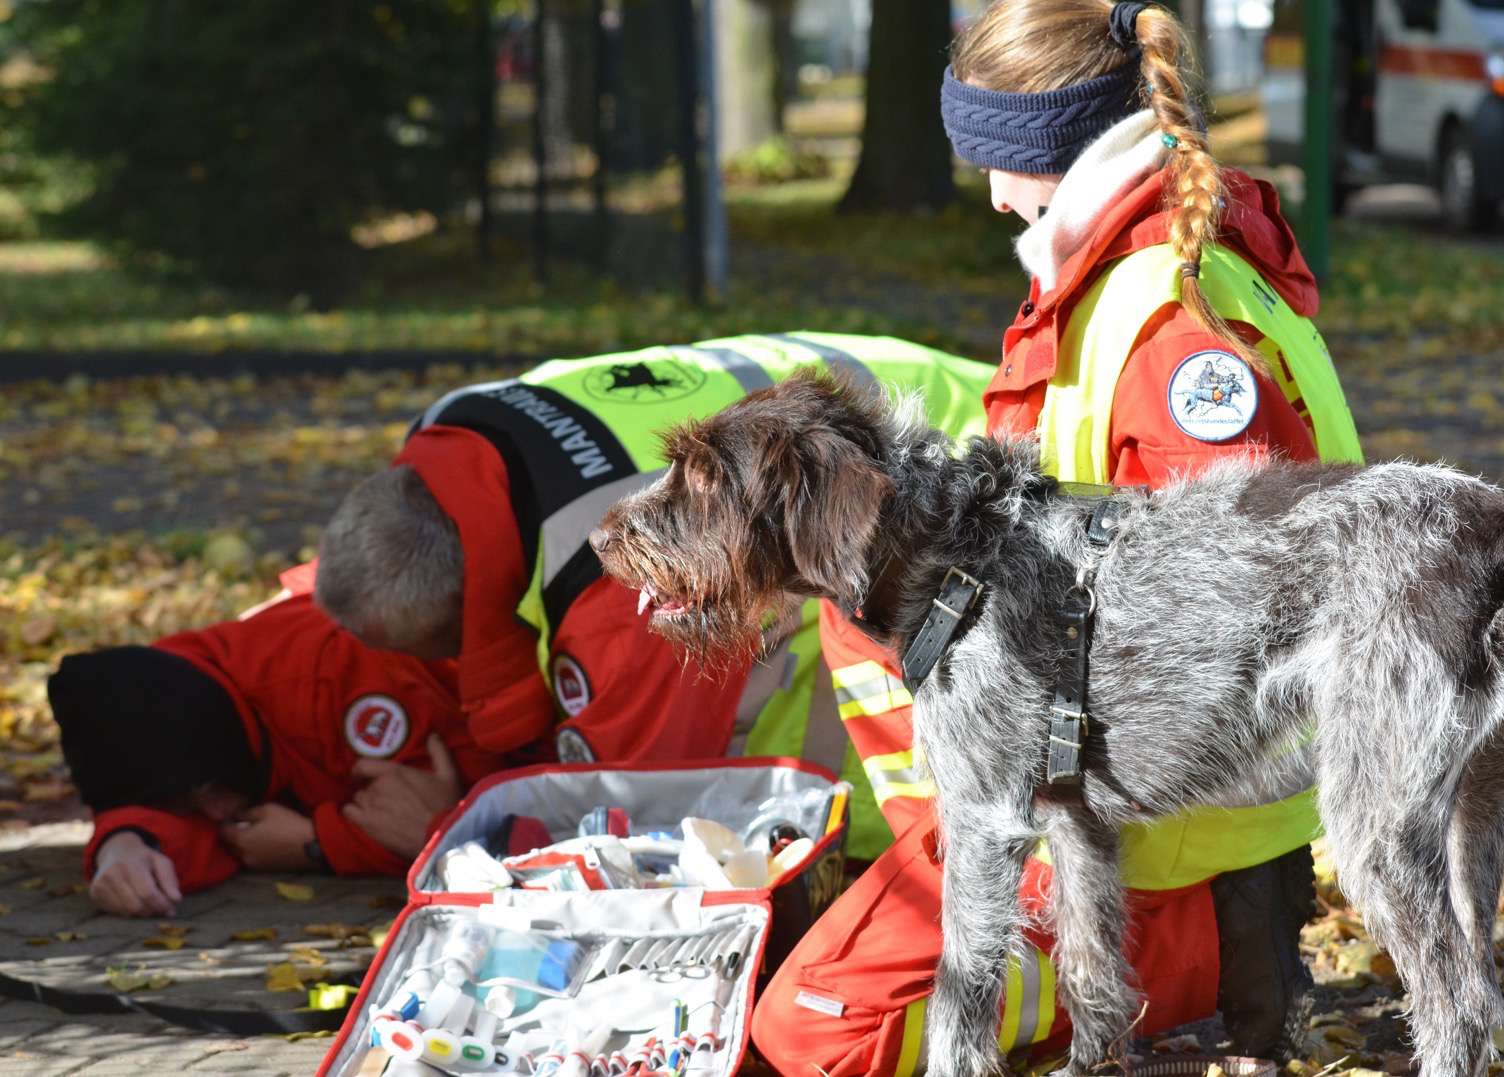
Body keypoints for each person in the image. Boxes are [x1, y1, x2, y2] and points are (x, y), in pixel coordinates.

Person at [750, 2, 1365, 1072]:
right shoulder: (1145, 269)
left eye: (999, 163)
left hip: (1160, 837)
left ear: (1062, 149)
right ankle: (958, 860)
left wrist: (1034, 830)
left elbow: (1230, 611)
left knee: (812, 1033)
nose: (990, 194)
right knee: (864, 616)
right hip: (1106, 777)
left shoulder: (1165, 316)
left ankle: (1163, 981)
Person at [314, 333, 994, 864]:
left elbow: (629, 837)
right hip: (914, 400)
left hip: (972, 480)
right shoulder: (453, 429)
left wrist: (445, 829)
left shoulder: (626, 592)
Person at [49, 592, 506, 918]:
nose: (216, 813)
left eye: (208, 791)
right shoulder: (153, 705)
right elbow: (183, 815)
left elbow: (448, 830)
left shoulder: (341, 676)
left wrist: (318, 844)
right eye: (188, 804)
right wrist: (126, 843)